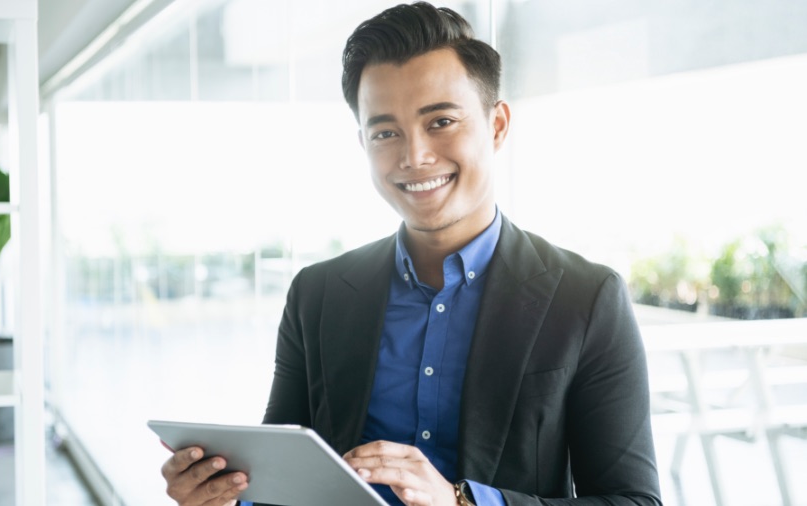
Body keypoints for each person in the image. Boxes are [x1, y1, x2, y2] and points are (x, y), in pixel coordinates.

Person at [161, 2, 662, 505]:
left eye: (440, 121)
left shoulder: (586, 297)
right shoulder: (317, 294)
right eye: (385, 132)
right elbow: (280, 484)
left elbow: (632, 501)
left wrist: (462, 502)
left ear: (497, 125)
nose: (413, 156)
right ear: (363, 143)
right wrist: (227, 494)